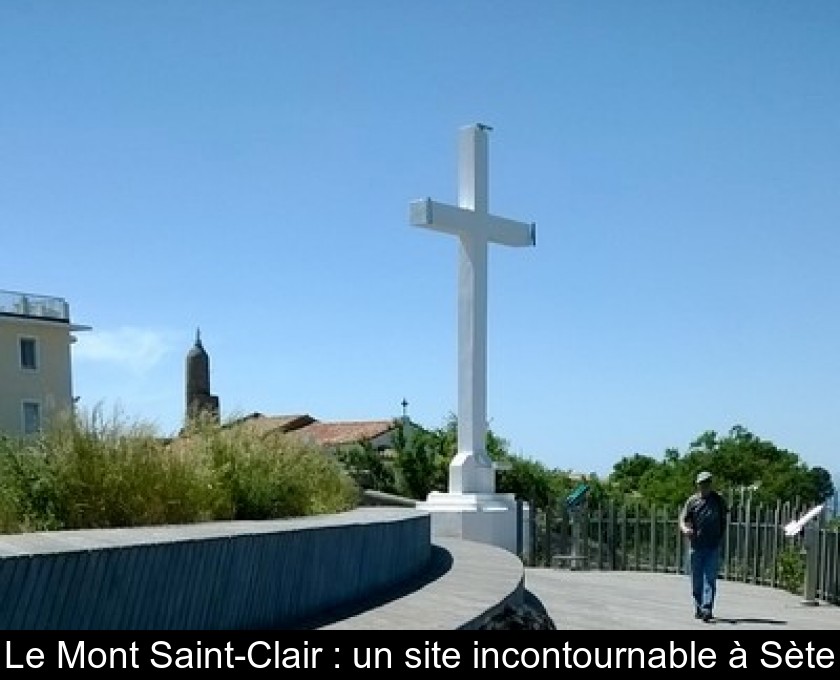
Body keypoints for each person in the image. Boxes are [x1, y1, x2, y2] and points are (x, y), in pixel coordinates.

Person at [679, 471, 728, 622]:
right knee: (696, 579)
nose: (704, 486)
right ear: (697, 484)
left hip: (712, 545)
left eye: (707, 483)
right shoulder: (692, 501)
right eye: (701, 483)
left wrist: (720, 536)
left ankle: (707, 608)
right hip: (696, 545)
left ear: (711, 484)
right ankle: (699, 607)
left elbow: (724, 519)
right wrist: (685, 529)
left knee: (710, 578)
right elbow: (682, 519)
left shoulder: (718, 500)